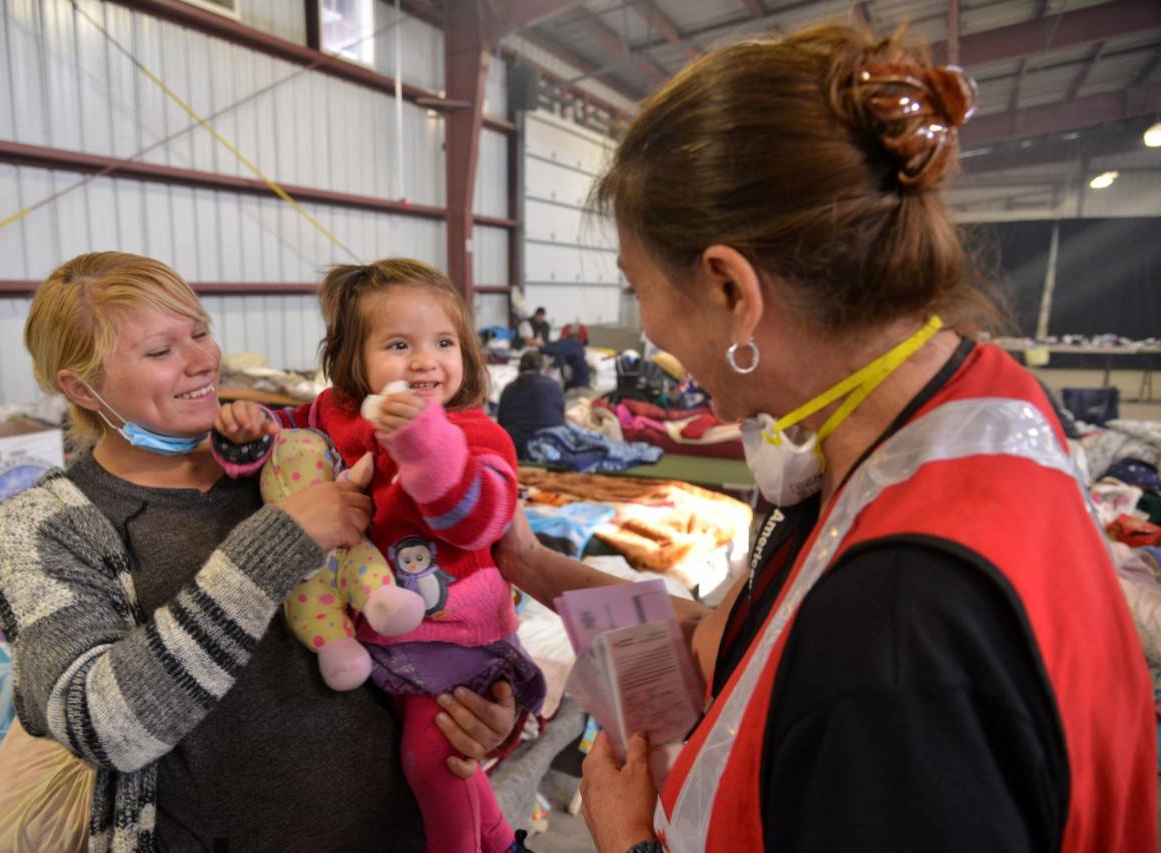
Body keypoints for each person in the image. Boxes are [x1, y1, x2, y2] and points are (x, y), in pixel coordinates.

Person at [492, 24, 1155, 853]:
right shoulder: (960, 406)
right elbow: (721, 636)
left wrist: (629, 840)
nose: (653, 330)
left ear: (732, 287)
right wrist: (527, 564)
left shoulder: (896, 634)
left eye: (640, 288)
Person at [0, 252, 518, 853]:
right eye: (160, 352)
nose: (201, 362)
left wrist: (471, 708)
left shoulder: (296, 452)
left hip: (397, 829)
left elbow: (440, 577)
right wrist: (280, 543)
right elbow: (100, 726)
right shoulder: (46, 524)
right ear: (83, 387)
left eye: (200, 332)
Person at [212, 258, 544, 853]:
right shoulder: (331, 414)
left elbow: (477, 521)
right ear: (352, 362)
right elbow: (286, 446)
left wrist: (423, 441)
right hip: (377, 631)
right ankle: (499, 843)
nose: (424, 360)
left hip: (455, 640)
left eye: (443, 342)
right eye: (398, 344)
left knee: (430, 757)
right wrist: (248, 430)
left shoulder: (474, 434)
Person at [497, 350, 566, 459]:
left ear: (519, 367)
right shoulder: (554, 386)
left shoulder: (510, 388)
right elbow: (560, 418)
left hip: (517, 448)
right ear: (542, 368)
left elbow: (501, 423)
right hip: (550, 446)